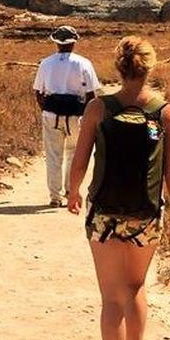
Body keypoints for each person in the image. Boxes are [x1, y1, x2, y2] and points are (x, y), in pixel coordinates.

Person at [64, 36, 170, 340]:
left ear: (118, 67)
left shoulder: (99, 109)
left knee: (111, 297)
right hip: (145, 216)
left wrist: (73, 191)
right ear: (150, 68)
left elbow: (81, 158)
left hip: (104, 215)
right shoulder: (165, 113)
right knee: (135, 287)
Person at [32, 26, 100, 207]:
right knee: (73, 153)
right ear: (74, 42)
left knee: (53, 156)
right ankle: (70, 190)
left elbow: (38, 92)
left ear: (55, 42)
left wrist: (45, 110)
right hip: (76, 115)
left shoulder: (46, 63)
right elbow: (91, 95)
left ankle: (55, 197)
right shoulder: (84, 63)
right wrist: (88, 117)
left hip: (51, 113)